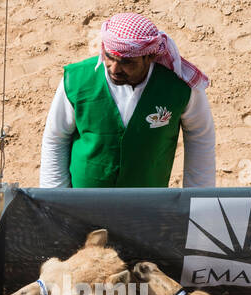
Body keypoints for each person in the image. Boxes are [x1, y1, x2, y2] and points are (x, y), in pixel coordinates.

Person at [40, 12, 216, 188]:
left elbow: (201, 140)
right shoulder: (76, 80)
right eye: (109, 57)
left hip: (147, 206)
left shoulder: (180, 87)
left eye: (127, 62)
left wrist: (199, 200)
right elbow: (56, 138)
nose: (114, 69)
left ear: (150, 57)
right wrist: (54, 197)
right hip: (82, 204)